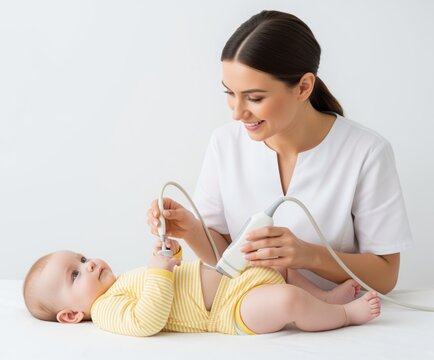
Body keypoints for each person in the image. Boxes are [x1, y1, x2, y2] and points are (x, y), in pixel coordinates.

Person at [147, 10, 413, 293]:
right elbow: (227, 260)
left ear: (303, 87)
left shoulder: (366, 152)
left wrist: (308, 255)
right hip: (253, 319)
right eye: (229, 93)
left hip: (342, 323)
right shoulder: (224, 144)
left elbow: (385, 276)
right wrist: (190, 229)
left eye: (255, 97)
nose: (237, 112)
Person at [23, 238, 380, 336]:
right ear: (71, 314)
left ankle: (322, 296)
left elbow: (171, 280)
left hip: (233, 282)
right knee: (286, 300)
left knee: (271, 262)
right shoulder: (104, 311)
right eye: (76, 274)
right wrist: (160, 272)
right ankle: (343, 314)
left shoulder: (123, 281)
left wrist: (170, 255)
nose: (90, 265)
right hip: (229, 312)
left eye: (83, 258)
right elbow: (147, 319)